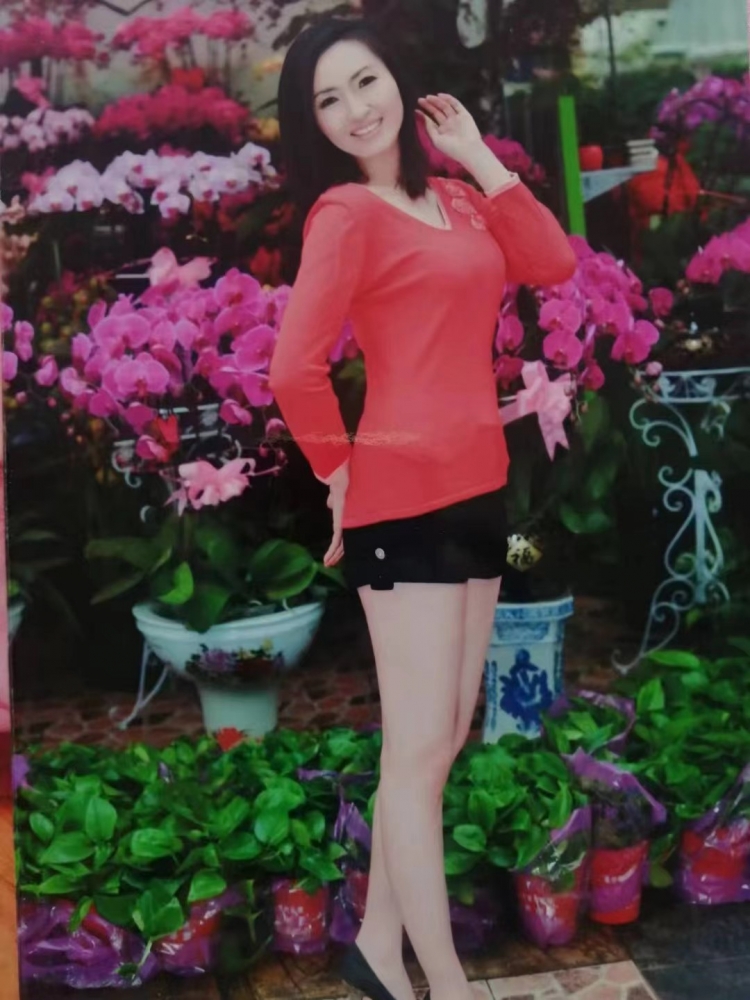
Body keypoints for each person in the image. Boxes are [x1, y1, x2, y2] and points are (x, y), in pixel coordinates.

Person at [270, 16, 577, 1000]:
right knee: (414, 753)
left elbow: (552, 263)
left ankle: (374, 945)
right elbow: (293, 368)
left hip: (478, 486)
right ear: (315, 122)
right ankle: (441, 981)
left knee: (439, 740)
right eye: (328, 99)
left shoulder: (458, 199)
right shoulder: (344, 216)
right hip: (401, 502)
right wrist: (337, 473)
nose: (355, 109)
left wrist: (479, 157)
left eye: (365, 82)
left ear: (397, 81)